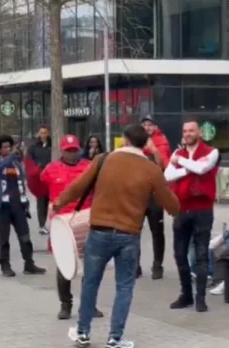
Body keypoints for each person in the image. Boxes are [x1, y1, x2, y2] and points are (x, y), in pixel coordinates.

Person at [56, 124, 179, 348]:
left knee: (91, 282)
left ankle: (83, 333)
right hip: (129, 235)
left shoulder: (104, 159)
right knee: (124, 286)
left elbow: (78, 186)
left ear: (125, 140)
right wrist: (177, 210)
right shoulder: (151, 169)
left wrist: (58, 203)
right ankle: (115, 337)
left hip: (99, 232)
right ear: (145, 144)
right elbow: (170, 202)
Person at [37, 134, 104, 320]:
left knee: (91, 266)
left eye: (75, 150)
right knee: (63, 265)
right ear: (61, 151)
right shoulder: (51, 169)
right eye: (68, 151)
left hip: (85, 221)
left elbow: (99, 190)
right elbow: (41, 191)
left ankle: (89, 305)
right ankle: (65, 304)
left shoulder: (88, 167)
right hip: (62, 225)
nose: (72, 154)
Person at [164, 120, 220, 313]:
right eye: (185, 131)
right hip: (181, 208)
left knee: (201, 254)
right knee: (179, 254)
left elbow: (203, 169)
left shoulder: (211, 152)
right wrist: (189, 167)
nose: (188, 134)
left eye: (191, 130)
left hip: (202, 210)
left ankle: (200, 298)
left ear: (199, 133)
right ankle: (186, 294)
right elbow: (167, 176)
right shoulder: (177, 152)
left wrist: (179, 163)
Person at [0, 134, 46, 277]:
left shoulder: (16, 164)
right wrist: (10, 157)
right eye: (5, 147)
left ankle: (29, 264)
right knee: (4, 238)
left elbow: (21, 183)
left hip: (18, 206)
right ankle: (5, 265)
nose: (8, 149)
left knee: (25, 236)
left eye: (10, 146)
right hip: (3, 207)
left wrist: (25, 202)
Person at [138, 115, 172, 280]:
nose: (147, 127)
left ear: (155, 127)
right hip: (136, 193)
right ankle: (134, 265)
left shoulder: (161, 141)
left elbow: (163, 165)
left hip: (154, 194)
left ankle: (157, 265)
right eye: (144, 124)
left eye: (150, 125)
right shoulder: (133, 141)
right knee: (133, 231)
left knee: (157, 231)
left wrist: (154, 150)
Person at [28, 125, 52, 235]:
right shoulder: (33, 147)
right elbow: (29, 160)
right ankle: (41, 224)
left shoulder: (52, 145)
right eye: (41, 133)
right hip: (39, 177)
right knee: (41, 201)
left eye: (45, 133)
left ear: (48, 133)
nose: (43, 135)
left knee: (49, 201)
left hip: (51, 177)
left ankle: (47, 223)